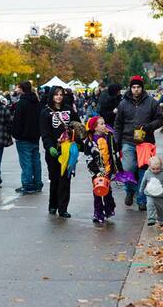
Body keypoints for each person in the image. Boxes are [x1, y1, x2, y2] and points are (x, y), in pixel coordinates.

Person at [114, 75, 163, 210]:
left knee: (143, 171)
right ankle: (130, 191)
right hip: (128, 140)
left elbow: (160, 120)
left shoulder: (151, 102)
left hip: (145, 142)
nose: (136, 90)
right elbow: (118, 124)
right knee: (128, 168)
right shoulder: (123, 104)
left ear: (142, 88)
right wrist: (116, 140)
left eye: (138, 87)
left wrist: (149, 127)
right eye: (133, 87)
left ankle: (142, 200)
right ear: (130, 89)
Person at [39, 86, 80, 218]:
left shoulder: (69, 109)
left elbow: (78, 126)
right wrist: (49, 146)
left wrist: (78, 142)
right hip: (53, 151)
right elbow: (45, 133)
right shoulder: (45, 112)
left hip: (67, 151)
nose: (59, 97)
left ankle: (63, 208)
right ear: (52, 96)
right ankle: (53, 204)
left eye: (61, 94)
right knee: (55, 179)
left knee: (65, 179)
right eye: (56, 94)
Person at [83, 116, 120, 223]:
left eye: (104, 123)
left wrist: (117, 167)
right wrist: (96, 172)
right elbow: (89, 159)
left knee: (108, 191)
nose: (105, 125)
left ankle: (109, 209)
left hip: (108, 170)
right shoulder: (89, 142)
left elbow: (115, 152)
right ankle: (98, 213)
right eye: (101, 124)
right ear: (95, 127)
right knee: (98, 192)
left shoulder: (109, 137)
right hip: (97, 173)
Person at [12, 81, 43, 194]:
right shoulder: (36, 102)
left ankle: (28, 184)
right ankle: (38, 183)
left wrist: (15, 134)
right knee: (35, 160)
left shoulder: (22, 103)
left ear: (21, 89)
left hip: (23, 137)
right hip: (35, 136)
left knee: (26, 162)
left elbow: (17, 121)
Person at [138, 156, 163, 227]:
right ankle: (151, 219)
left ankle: (162, 220)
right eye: (153, 169)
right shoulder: (147, 173)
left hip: (160, 195)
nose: (156, 171)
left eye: (158, 169)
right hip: (150, 194)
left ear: (161, 166)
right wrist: (141, 190)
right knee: (150, 205)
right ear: (149, 166)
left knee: (160, 208)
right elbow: (143, 182)